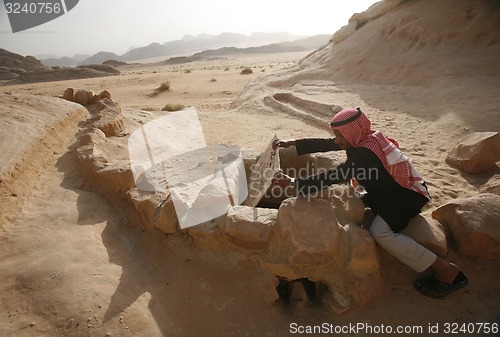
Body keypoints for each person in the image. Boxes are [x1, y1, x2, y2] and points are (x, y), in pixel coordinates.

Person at [271, 107, 468, 298]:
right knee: (357, 195)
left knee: (380, 233)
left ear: (351, 133)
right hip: (394, 190)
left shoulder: (364, 153)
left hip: (405, 198)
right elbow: (330, 143)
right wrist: (293, 143)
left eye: (340, 136)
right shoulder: (365, 138)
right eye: (336, 135)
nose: (337, 140)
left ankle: (445, 270)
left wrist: (294, 182)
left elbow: (337, 175)